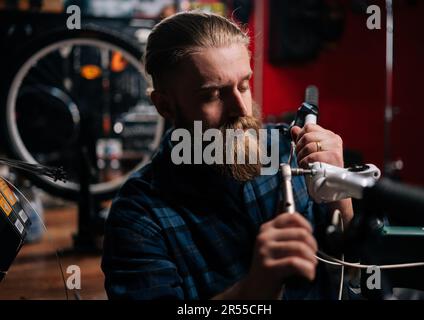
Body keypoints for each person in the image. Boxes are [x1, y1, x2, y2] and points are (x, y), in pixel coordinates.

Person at [101, 11, 353, 300]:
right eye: (212, 95)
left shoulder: (289, 149)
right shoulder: (138, 217)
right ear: (165, 106)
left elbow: (349, 264)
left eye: (243, 85)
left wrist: (339, 188)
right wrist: (255, 289)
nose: (241, 109)